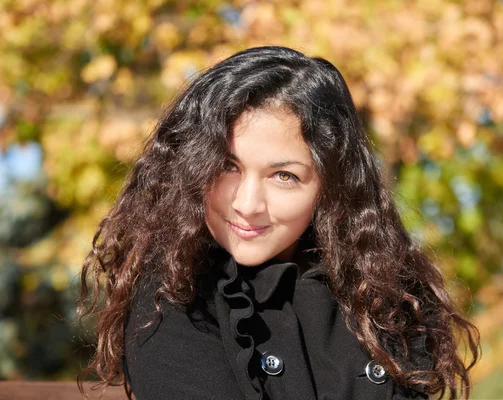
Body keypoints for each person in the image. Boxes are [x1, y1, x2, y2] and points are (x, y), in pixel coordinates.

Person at [77, 46, 480, 400]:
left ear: (330, 186)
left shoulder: (385, 297)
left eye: (283, 176)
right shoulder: (171, 295)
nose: (248, 204)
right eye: (226, 167)